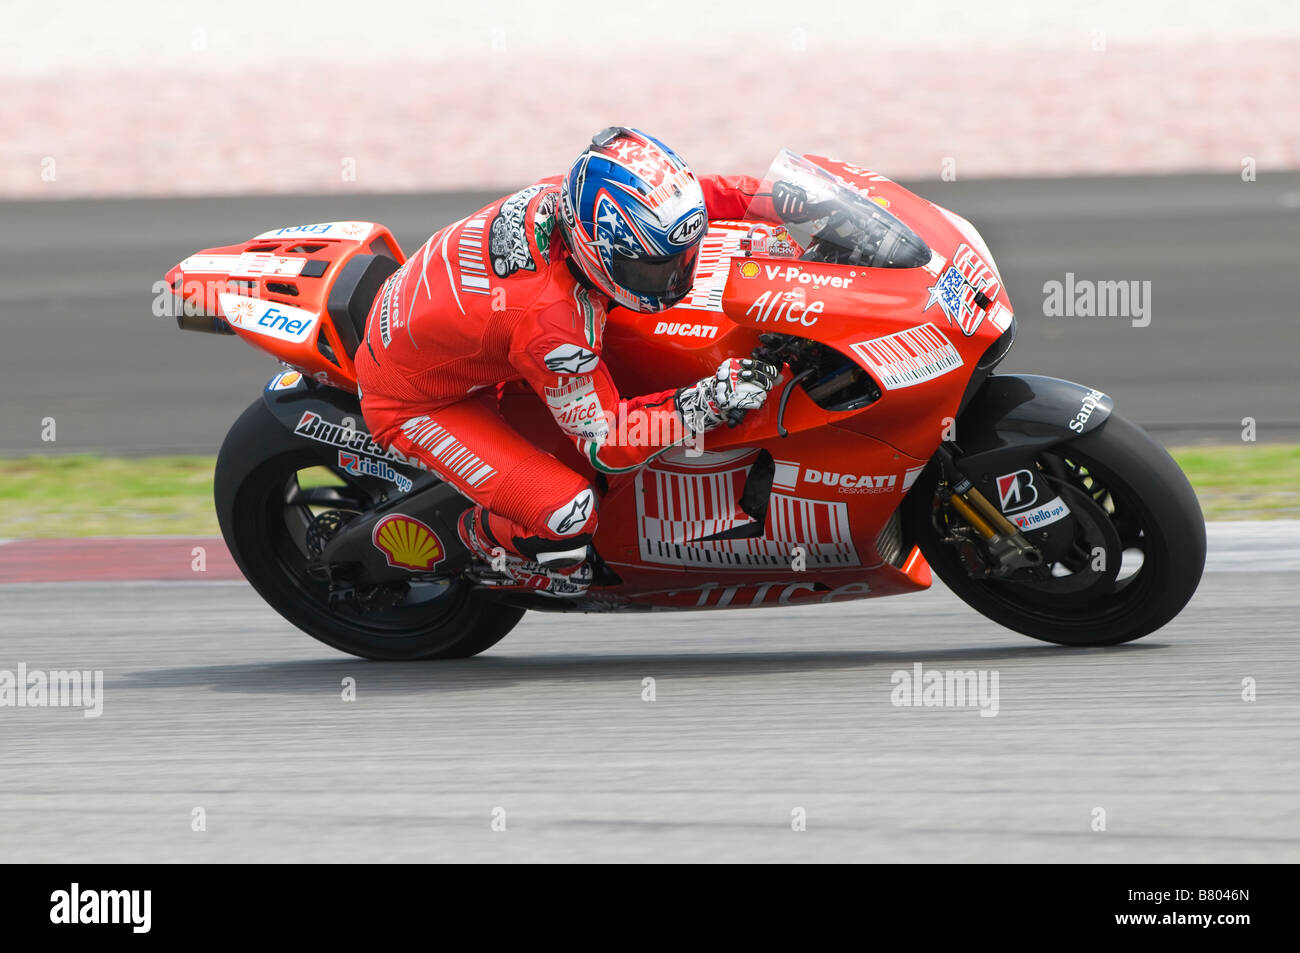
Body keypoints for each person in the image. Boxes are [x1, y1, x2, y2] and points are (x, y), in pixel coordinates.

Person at [356, 126, 779, 596]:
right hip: (417, 402)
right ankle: (479, 538)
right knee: (569, 515)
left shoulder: (587, 196)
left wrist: (785, 199)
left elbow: (704, 195)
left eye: (680, 259)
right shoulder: (557, 327)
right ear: (595, 250)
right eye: (648, 268)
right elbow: (606, 442)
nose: (674, 278)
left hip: (448, 326)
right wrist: (706, 402)